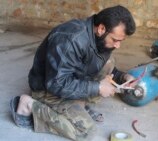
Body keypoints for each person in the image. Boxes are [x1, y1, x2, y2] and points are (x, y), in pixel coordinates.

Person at [10, 5, 136, 141]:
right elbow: (56, 84)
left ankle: (78, 103)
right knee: (86, 132)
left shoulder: (100, 39)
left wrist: (123, 77)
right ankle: (29, 106)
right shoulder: (70, 40)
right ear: (101, 29)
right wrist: (98, 87)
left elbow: (98, 64)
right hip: (48, 89)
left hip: (70, 80)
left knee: (108, 61)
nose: (118, 45)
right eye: (115, 40)